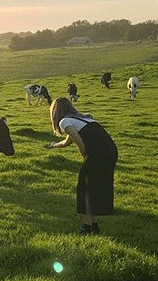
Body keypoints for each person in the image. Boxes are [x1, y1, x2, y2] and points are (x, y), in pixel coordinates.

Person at [45, 97, 118, 235]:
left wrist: (86, 157)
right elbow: (67, 142)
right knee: (97, 188)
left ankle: (87, 227)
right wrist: (52, 145)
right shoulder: (84, 119)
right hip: (111, 151)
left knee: (85, 189)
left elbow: (79, 142)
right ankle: (94, 225)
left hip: (97, 154)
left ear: (55, 112)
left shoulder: (64, 121)